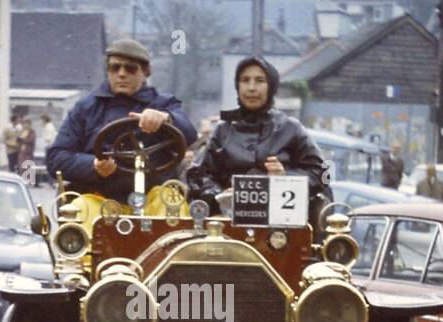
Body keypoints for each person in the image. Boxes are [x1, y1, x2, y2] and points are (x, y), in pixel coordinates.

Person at [47, 38, 196, 202]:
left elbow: (189, 135)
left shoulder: (164, 104)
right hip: (97, 196)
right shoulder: (86, 108)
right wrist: (93, 165)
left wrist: (166, 119)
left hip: (153, 195)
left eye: (130, 69)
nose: (121, 74)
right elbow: (56, 158)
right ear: (108, 71)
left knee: (173, 208)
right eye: (115, 67)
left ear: (145, 72)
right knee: (82, 211)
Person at [186, 55, 327, 227]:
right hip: (228, 226)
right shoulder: (223, 130)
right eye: (245, 80)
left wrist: (285, 178)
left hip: (280, 227)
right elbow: (197, 175)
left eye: (259, 80)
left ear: (271, 87)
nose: (251, 88)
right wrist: (223, 196)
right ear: (237, 86)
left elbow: (321, 175)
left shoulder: (291, 128)